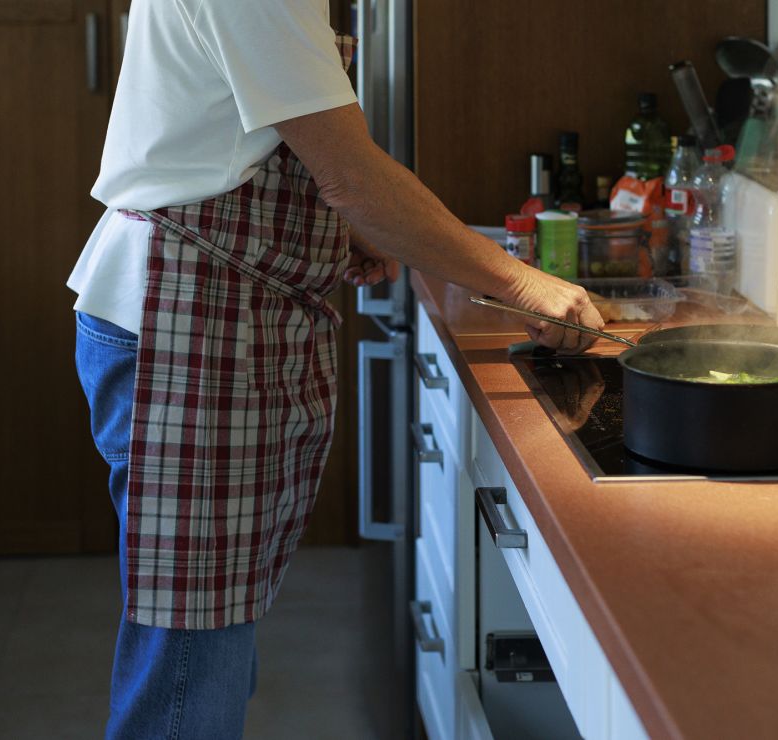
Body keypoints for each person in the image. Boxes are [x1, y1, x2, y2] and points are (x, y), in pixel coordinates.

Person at [67, 0, 603, 737]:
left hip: (198, 309)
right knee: (188, 674)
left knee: (207, 639)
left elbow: (242, 135)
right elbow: (350, 175)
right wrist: (519, 282)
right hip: (179, 320)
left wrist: (336, 229)